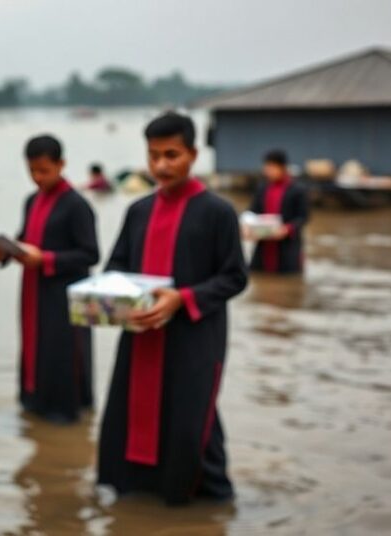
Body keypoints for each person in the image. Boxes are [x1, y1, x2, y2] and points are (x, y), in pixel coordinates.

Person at [97, 112, 247, 505]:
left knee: (192, 419)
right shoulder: (138, 211)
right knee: (132, 414)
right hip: (142, 333)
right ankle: (139, 494)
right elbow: (114, 268)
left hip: (194, 336)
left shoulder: (218, 212)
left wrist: (183, 298)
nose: (161, 165)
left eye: (171, 154)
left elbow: (235, 277)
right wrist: (112, 301)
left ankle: (210, 503)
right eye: (153, 156)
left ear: (193, 154)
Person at [0, 135, 99, 423]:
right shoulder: (32, 200)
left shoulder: (76, 205)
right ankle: (34, 408)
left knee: (63, 353)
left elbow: (90, 254)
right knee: (34, 348)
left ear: (61, 164)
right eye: (32, 171)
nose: (37, 177)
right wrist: (4, 252)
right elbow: (25, 239)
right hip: (34, 292)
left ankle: (66, 417)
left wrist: (46, 259)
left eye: (44, 171)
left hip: (64, 295)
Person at [246, 149, 309, 274]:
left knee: (288, 279)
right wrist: (248, 226)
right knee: (259, 276)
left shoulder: (297, 190)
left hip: (287, 244)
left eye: (271, 167)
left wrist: (287, 229)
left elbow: (303, 217)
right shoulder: (262, 188)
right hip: (264, 242)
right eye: (266, 167)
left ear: (282, 167)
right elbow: (253, 211)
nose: (267, 171)